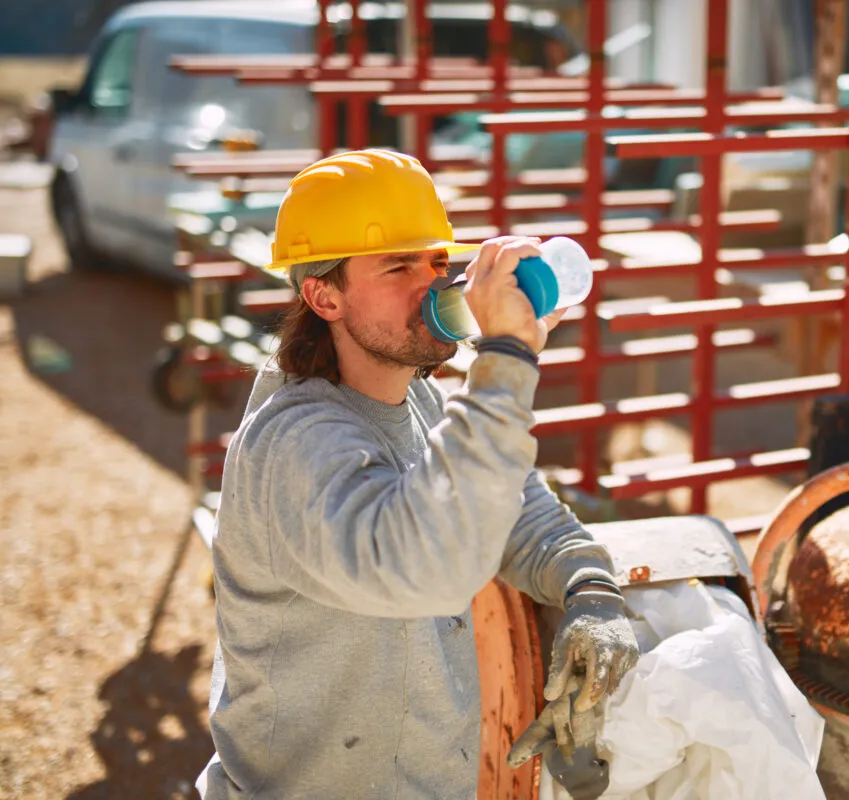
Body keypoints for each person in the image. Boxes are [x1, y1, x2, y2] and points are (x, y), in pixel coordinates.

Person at [196, 149, 639, 799]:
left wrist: (590, 587)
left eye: (436, 260)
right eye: (399, 265)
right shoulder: (290, 446)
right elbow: (425, 567)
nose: (433, 283)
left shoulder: (420, 398)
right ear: (324, 295)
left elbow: (512, 505)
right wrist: (506, 357)